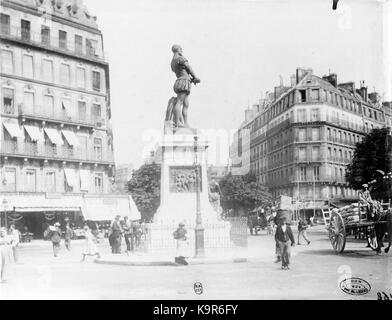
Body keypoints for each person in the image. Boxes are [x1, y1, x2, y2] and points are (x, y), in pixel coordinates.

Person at [170, 44, 201, 129]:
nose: (181, 50)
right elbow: (189, 68)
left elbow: (182, 70)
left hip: (181, 80)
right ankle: (177, 123)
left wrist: (191, 79)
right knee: (180, 101)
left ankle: (185, 123)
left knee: (186, 103)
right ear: (177, 50)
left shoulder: (172, 62)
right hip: (183, 81)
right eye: (180, 49)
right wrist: (195, 77)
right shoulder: (181, 58)